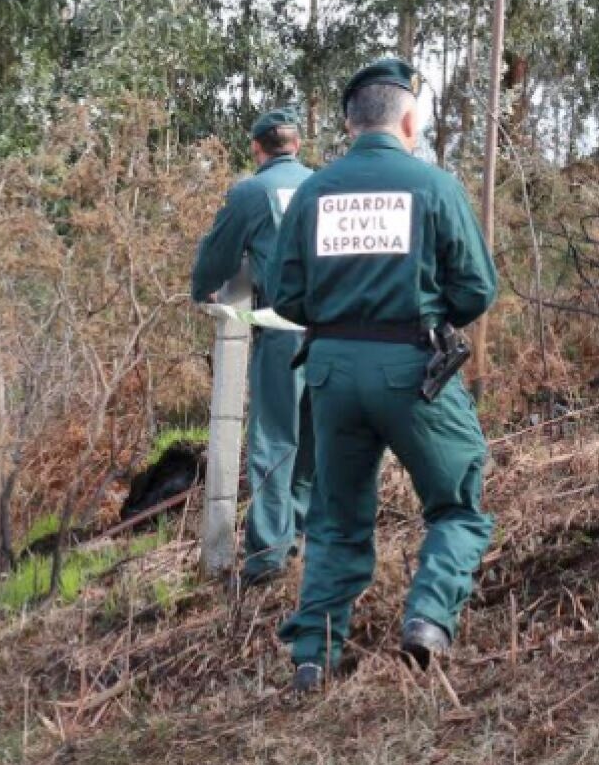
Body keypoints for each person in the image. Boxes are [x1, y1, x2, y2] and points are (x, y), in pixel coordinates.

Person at [269, 58, 499, 694]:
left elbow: (285, 297)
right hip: (413, 369)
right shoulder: (433, 185)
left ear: (349, 122)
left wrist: (340, 316)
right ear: (407, 118)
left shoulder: (313, 192)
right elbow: (478, 288)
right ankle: (426, 620)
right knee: (458, 506)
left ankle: (313, 654)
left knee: (336, 520)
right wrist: (424, 319)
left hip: (331, 373)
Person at [189, 108, 316, 587]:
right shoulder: (324, 184)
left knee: (274, 440)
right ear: (297, 145)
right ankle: (302, 533)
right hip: (335, 329)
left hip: (283, 329)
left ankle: (266, 556)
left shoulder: (251, 192)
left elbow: (217, 253)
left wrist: (202, 290)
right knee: (315, 438)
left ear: (257, 149)